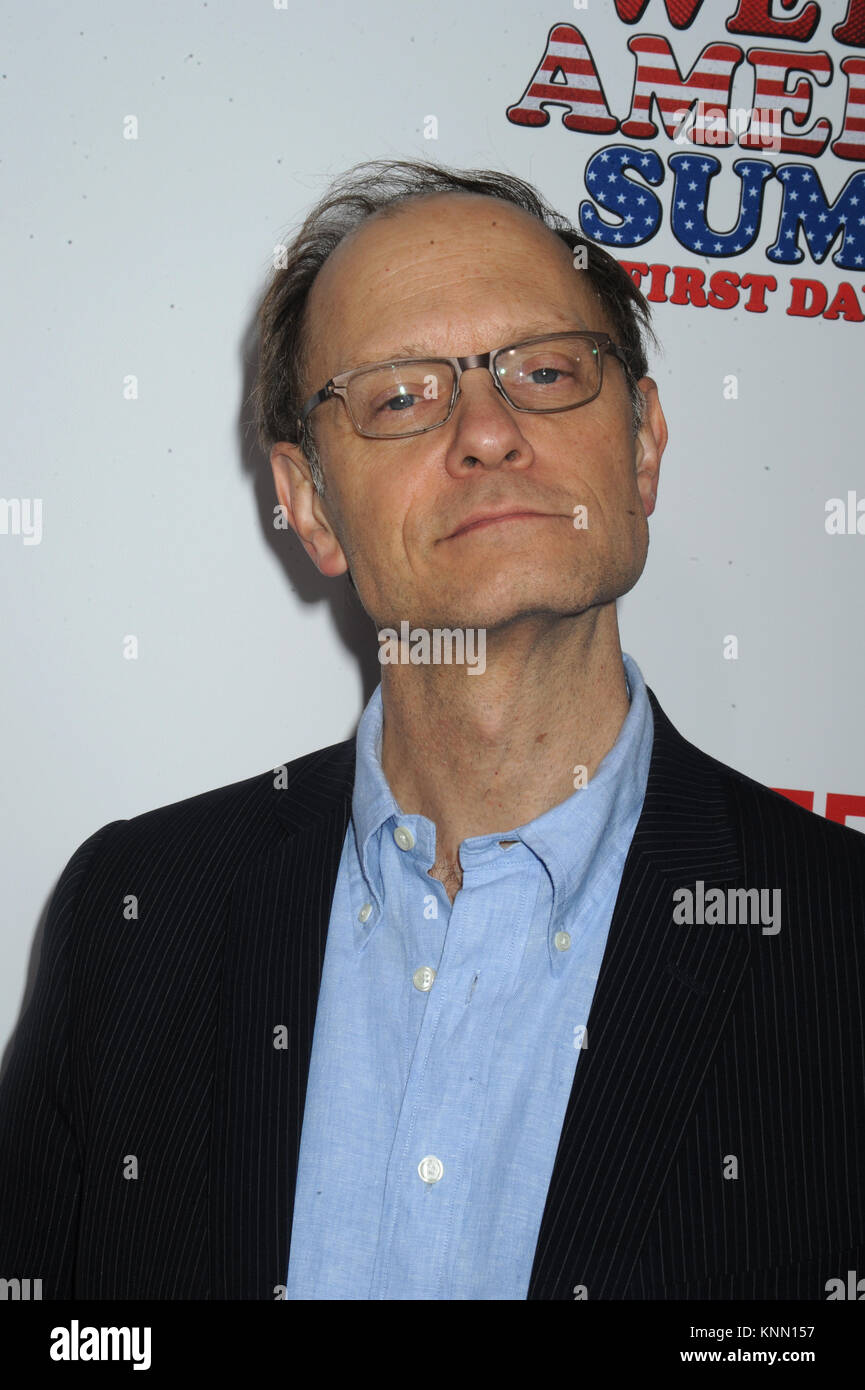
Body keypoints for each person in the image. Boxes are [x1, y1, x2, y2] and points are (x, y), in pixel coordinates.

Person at [1, 159, 863, 1301]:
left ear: (644, 443)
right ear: (309, 503)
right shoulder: (134, 914)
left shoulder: (841, 950)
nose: (489, 432)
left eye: (547, 371)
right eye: (402, 396)